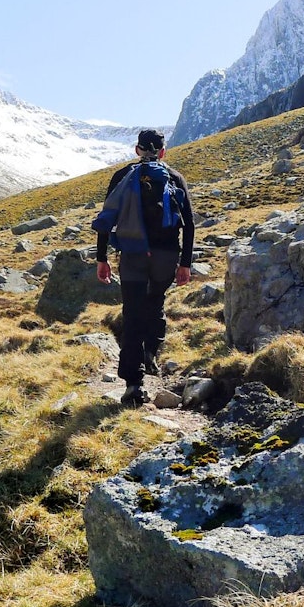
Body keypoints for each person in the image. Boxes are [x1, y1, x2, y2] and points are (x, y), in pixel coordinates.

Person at [95, 129, 194, 406]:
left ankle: (133, 385)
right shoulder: (174, 178)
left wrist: (101, 258)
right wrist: (185, 263)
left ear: (137, 150)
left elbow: (107, 218)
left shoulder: (122, 177)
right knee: (156, 303)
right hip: (165, 256)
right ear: (163, 152)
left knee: (133, 313)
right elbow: (189, 224)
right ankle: (150, 350)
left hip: (133, 254)